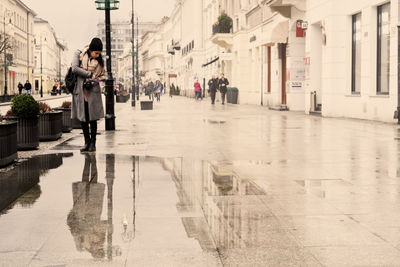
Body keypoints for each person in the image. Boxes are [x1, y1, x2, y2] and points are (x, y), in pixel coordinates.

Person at [71, 37, 105, 153]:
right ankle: (86, 142)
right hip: (81, 91)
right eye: (96, 53)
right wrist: (89, 74)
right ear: (91, 49)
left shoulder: (99, 61)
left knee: (93, 118)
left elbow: (101, 76)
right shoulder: (79, 55)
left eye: (99, 53)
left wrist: (95, 80)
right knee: (83, 118)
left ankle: (93, 143)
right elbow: (74, 69)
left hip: (93, 91)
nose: (97, 55)